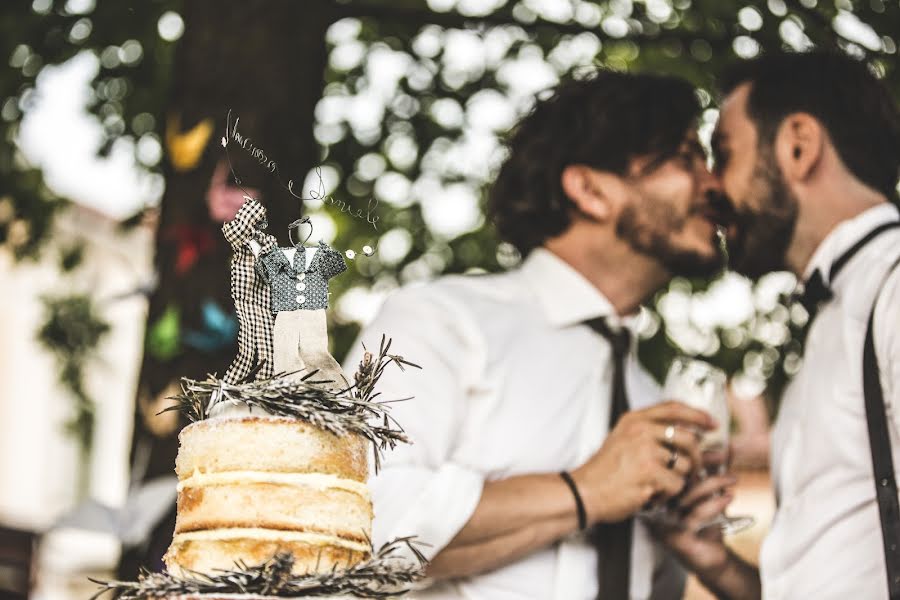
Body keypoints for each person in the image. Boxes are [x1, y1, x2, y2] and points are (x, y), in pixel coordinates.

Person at [344, 70, 729, 599]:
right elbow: (351, 522)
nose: (714, 184)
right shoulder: (440, 322)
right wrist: (584, 491)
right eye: (685, 156)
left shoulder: (650, 401)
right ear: (590, 189)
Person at [665, 51, 900, 599]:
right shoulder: (839, 309)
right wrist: (715, 562)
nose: (709, 188)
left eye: (723, 155)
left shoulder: (892, 288)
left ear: (798, 146)